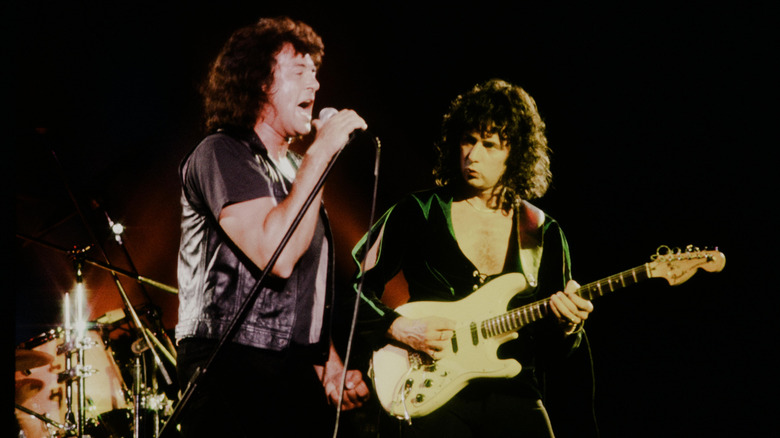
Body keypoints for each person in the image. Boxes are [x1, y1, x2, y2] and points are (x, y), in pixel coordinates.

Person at [351, 79, 594, 437]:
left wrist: (569, 325)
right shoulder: (419, 211)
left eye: (489, 144)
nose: (472, 155)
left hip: (512, 388)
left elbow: (554, 351)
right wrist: (399, 327)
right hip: (430, 390)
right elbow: (351, 289)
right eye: (468, 140)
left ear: (517, 153)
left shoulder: (543, 232)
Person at [175, 16, 370, 437]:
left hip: (291, 370)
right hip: (230, 364)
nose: (315, 86)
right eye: (299, 73)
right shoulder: (221, 152)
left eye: (315, 74)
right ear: (259, 83)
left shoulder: (298, 170)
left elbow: (303, 288)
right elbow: (276, 257)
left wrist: (329, 368)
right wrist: (321, 155)